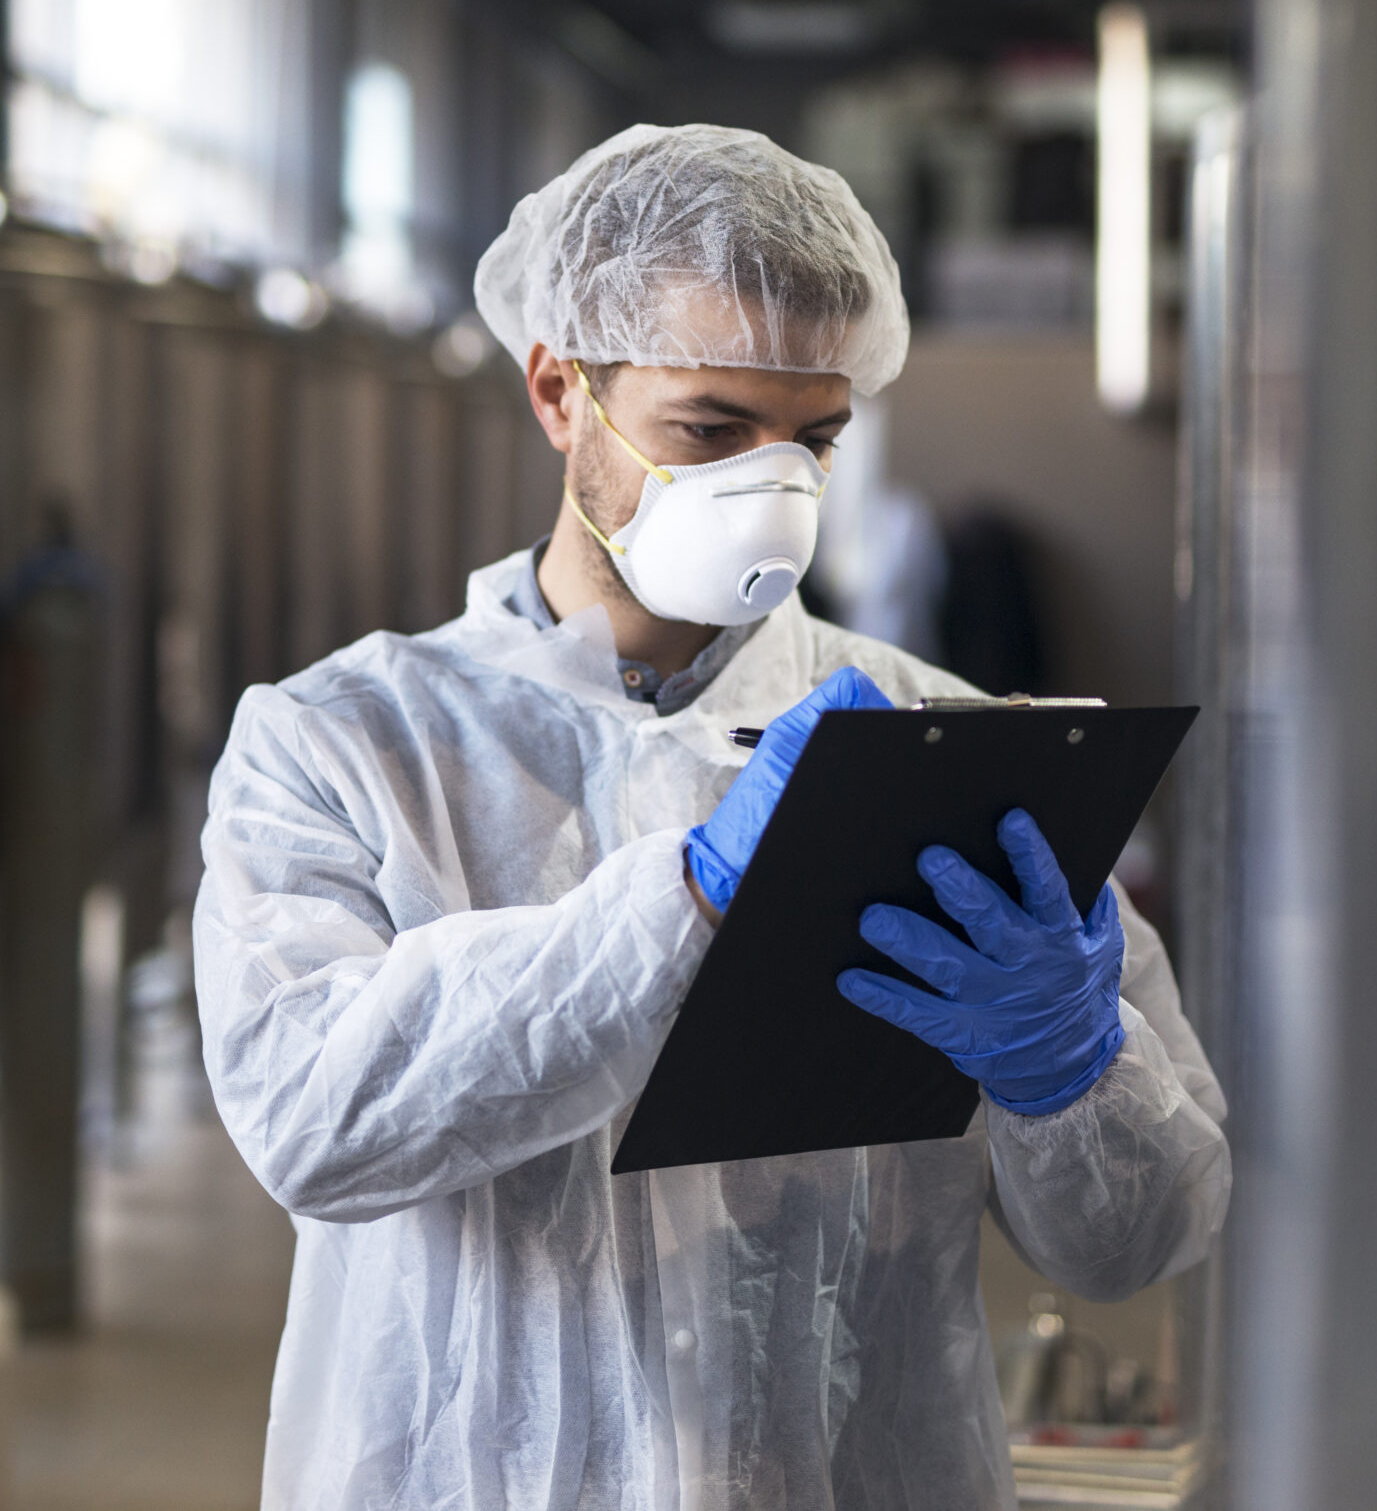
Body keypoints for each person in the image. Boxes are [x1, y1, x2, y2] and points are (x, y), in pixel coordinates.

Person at [193, 123, 1230, 1510]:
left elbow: (1140, 1239)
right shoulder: (347, 740)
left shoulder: (951, 749)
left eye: (815, 440)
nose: (774, 488)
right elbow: (315, 1120)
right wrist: (686, 892)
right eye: (710, 430)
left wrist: (1076, 1071)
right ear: (561, 391)